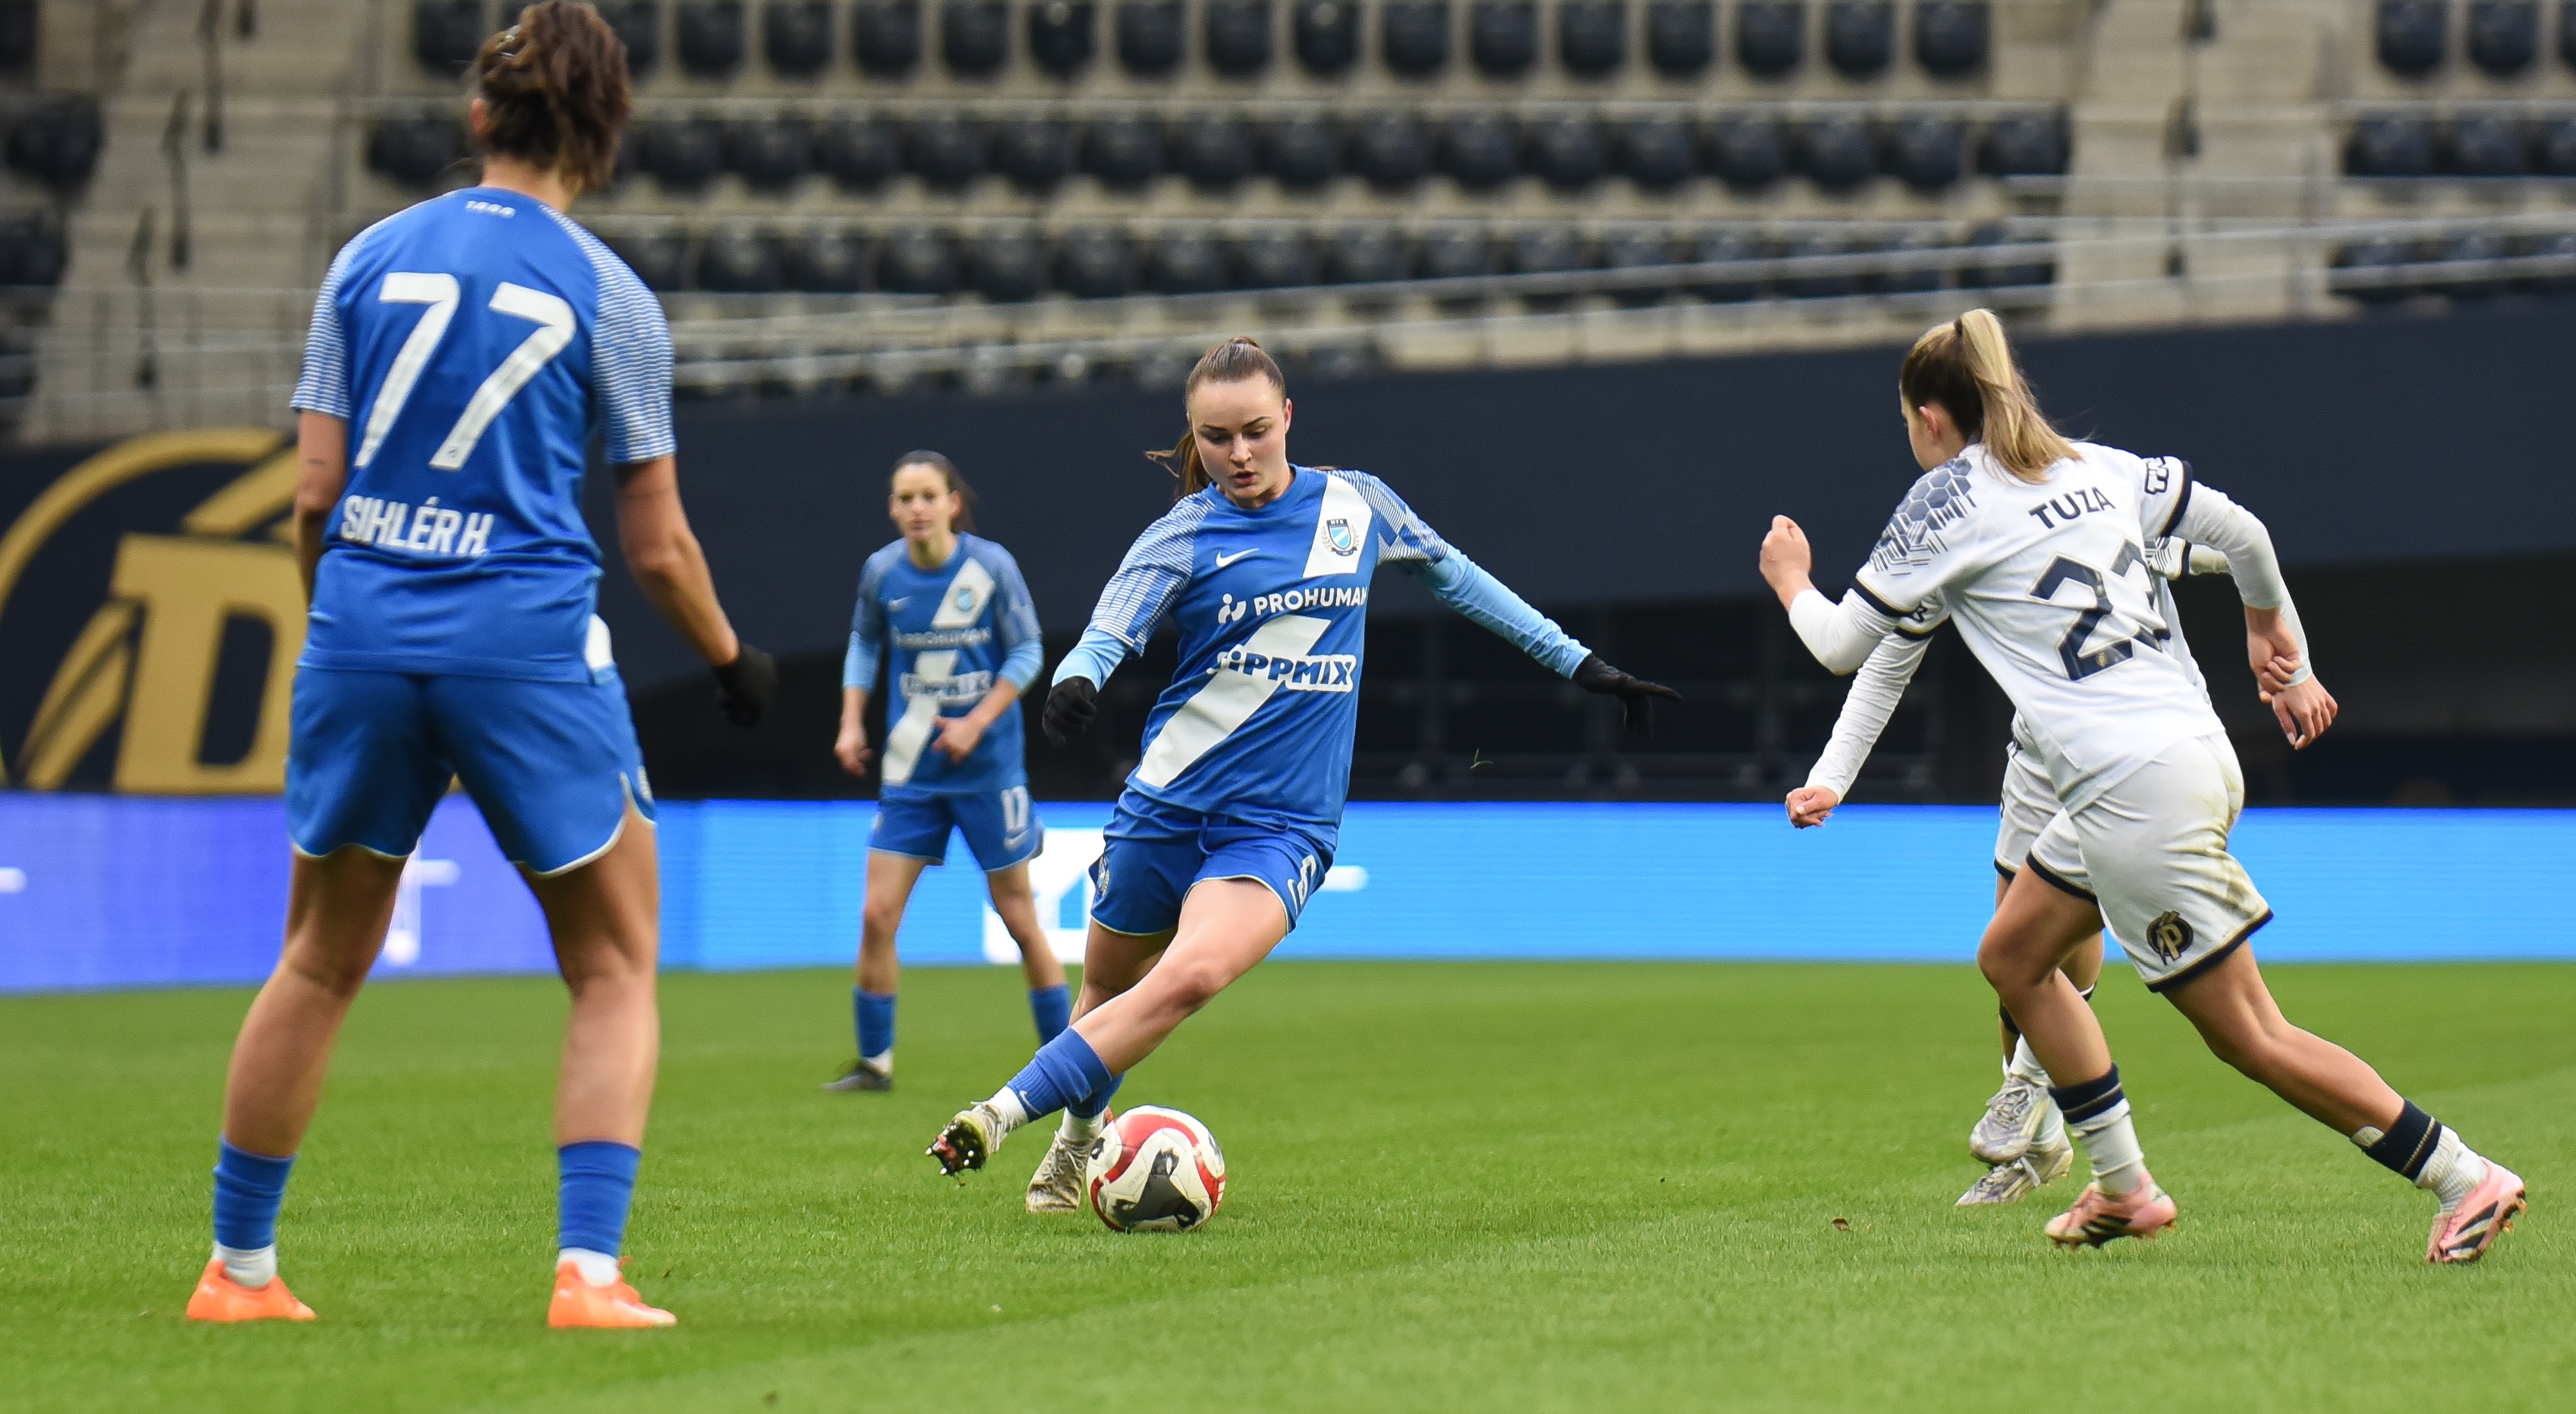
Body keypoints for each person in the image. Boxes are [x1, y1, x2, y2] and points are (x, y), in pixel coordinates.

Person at [185, 1, 775, 1329]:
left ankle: (238, 1270)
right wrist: (732, 659)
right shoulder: (611, 296)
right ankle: (587, 1275)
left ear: (476, 115)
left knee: (316, 960)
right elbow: (658, 544)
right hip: (522, 646)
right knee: (614, 962)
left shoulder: (366, 258)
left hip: (362, 628)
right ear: (604, 136)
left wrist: (345, 627)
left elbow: (313, 496)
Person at [1758, 309, 2524, 1262]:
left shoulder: (1943, 503)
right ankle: (2121, 1187)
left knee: (2250, 1034)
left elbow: (1841, 645)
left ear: (1928, 418)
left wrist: (1790, 578)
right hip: (2178, 752)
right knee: (2013, 957)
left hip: (2129, 787)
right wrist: (2268, 627)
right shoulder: (2098, 466)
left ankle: (2460, 1175)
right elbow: (2242, 531)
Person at [923, 337, 1680, 1210]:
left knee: (1189, 977)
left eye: (1255, 431)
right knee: (1105, 986)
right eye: (1216, 438)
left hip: (1280, 827)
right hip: (1165, 805)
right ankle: (1079, 1139)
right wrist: (1077, 679)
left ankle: (999, 1115)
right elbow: (1108, 628)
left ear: (1287, 417)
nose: (1239, 454)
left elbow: (1461, 580)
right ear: (1195, 438)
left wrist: (1583, 664)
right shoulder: (1182, 534)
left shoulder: (1356, 506)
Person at [1788, 531, 2331, 1206]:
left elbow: (2243, 549)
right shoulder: (1957, 531)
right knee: (2014, 954)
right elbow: (1887, 657)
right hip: (2040, 754)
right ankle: (2043, 1138)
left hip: (2137, 754)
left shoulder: (2104, 502)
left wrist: (2295, 669)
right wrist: (1831, 777)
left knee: (2053, 942)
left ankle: (2036, 1092)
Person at [824, 452, 1068, 1092]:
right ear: (892, 508)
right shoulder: (882, 572)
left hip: (988, 773)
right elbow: (864, 644)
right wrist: (851, 722)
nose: (917, 509)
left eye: (928, 496)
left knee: (1019, 919)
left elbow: (1027, 652)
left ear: (952, 503)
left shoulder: (991, 567)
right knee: (877, 916)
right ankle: (874, 1065)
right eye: (905, 498)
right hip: (911, 772)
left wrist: (975, 723)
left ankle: (1068, 1063)